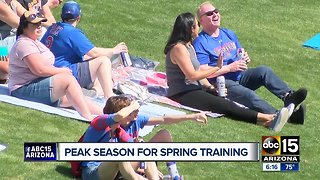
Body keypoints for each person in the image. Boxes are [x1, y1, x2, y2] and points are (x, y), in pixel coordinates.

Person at [164, 12, 295, 132]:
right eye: (197, 24)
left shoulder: (189, 46)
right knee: (225, 105)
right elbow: (192, 75)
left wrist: (210, 88)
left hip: (195, 89)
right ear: (191, 29)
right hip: (182, 93)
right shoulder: (178, 49)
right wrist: (216, 68)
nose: (199, 27)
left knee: (226, 101)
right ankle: (270, 118)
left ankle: (268, 122)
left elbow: (198, 74)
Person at [193, 2, 307, 124]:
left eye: (216, 11)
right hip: (221, 84)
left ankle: (288, 96)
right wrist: (229, 68)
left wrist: (244, 57)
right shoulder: (200, 42)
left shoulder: (228, 33)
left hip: (240, 76)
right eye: (210, 14)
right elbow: (203, 72)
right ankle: (282, 117)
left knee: (264, 71)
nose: (215, 15)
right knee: (250, 96)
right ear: (202, 20)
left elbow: (239, 52)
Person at [81, 95, 207, 180]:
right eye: (130, 111)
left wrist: (191, 116)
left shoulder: (118, 130)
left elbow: (137, 148)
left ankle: (171, 176)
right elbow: (118, 116)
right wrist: (131, 106)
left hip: (115, 169)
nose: (134, 113)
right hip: (92, 172)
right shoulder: (99, 123)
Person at [8, 11, 103, 120]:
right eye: (34, 24)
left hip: (38, 84)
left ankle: (107, 116)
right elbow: (38, 70)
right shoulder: (24, 44)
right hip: (23, 88)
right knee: (68, 80)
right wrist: (62, 71)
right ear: (24, 26)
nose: (39, 27)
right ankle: (89, 119)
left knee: (79, 98)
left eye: (40, 24)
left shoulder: (34, 41)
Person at [41, 1, 128, 99]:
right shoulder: (72, 32)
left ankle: (92, 93)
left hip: (51, 71)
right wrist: (114, 50)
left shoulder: (54, 27)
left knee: (103, 75)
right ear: (78, 18)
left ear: (61, 16)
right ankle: (110, 97)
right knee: (104, 61)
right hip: (64, 72)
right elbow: (94, 52)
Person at [0, 0, 27, 83]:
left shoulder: (13, 3)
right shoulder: (1, 5)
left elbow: (28, 17)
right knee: (4, 72)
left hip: (13, 41)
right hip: (2, 44)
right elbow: (21, 24)